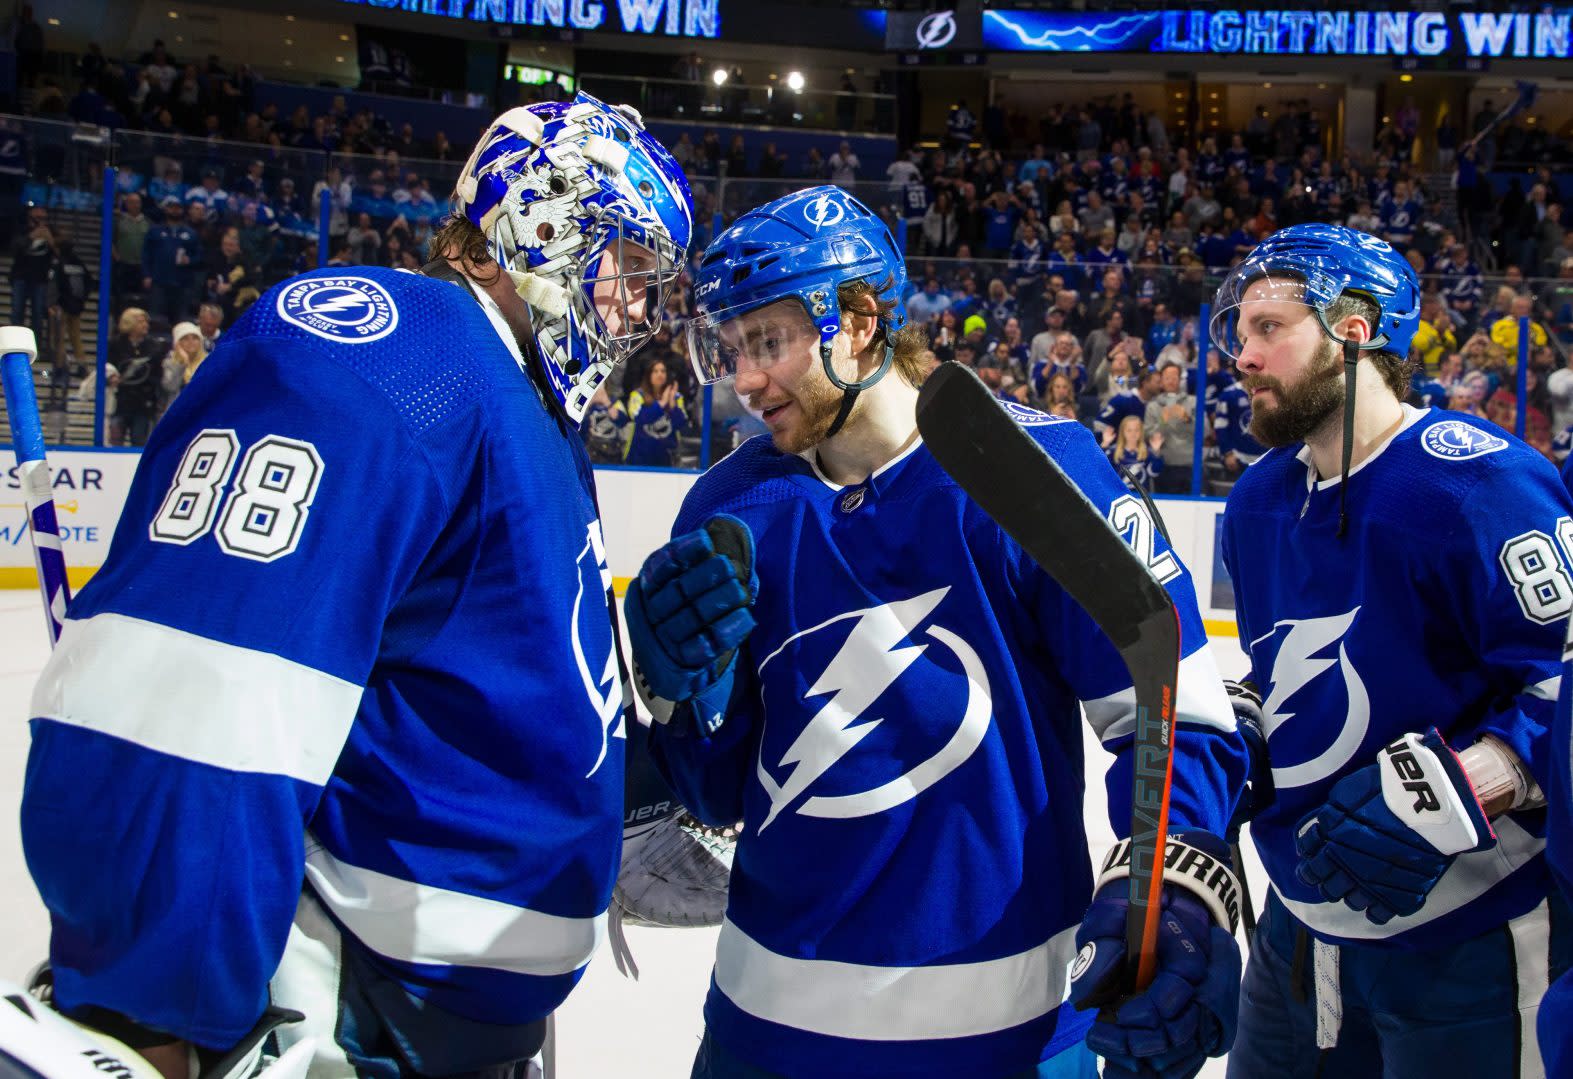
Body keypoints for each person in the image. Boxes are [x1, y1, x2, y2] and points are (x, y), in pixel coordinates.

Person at [17, 93, 693, 1078]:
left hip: (455, 1024)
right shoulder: (390, 355)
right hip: (343, 1017)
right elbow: (193, 697)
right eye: (626, 265)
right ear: (537, 224)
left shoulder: (526, 404)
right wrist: (150, 1005)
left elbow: (493, 708)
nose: (638, 308)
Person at [626, 184, 1249, 1078]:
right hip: (762, 1024)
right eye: (728, 348)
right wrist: (687, 698)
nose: (744, 378)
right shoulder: (730, 501)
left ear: (861, 319)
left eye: (765, 340)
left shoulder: (1028, 468)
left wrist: (1173, 889)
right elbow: (718, 794)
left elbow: (1175, 712)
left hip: (1006, 1032)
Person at [1214, 223, 1571, 1077]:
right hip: (1296, 924)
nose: (1241, 354)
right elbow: (1278, 666)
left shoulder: (1478, 483)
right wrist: (1243, 729)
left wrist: (1483, 774)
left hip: (1470, 930)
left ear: (1355, 329)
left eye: (1269, 328)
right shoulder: (1259, 496)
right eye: (1239, 330)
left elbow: (1560, 678)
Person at [624, 357, 688, 466]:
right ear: (649, 375)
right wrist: (661, 404)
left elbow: (680, 424)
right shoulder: (637, 395)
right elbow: (639, 418)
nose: (660, 374)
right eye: (656, 371)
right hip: (639, 457)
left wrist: (671, 402)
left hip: (667, 458)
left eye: (663, 371)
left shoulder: (676, 397)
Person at [1107, 412, 1163, 492]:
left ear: (1141, 432)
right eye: (1129, 430)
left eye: (1136, 430)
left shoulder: (1148, 452)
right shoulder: (1113, 451)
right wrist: (1104, 445)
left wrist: (1156, 452)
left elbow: (1154, 473)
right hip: (1119, 496)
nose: (1133, 434)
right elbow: (1101, 470)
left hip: (1142, 497)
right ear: (1123, 432)